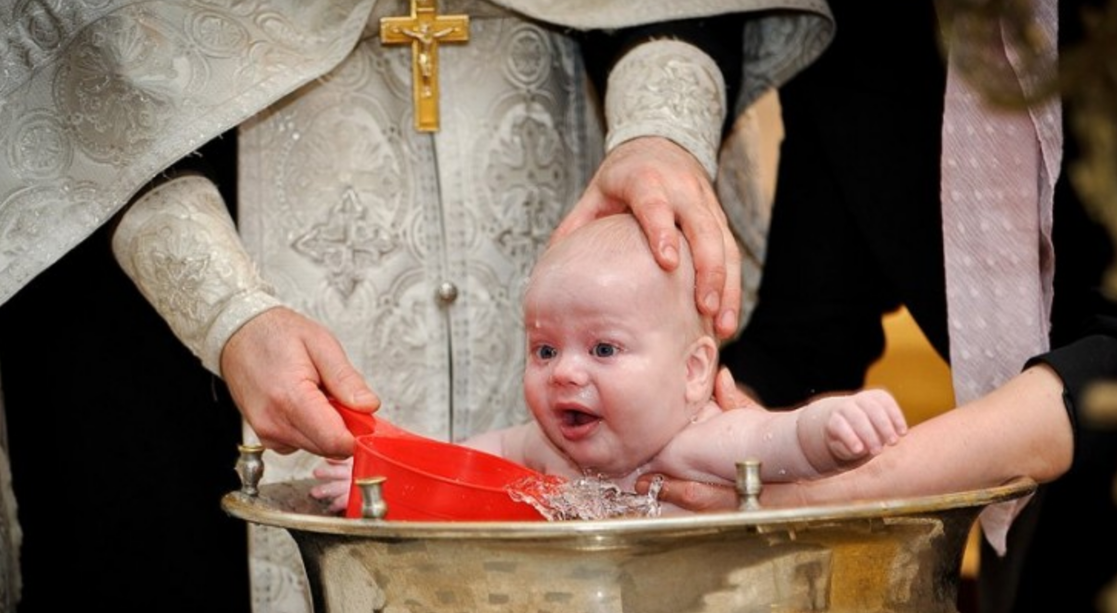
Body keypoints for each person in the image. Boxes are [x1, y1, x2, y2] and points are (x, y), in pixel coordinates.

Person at [0, 0, 836, 613]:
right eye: (542, 351)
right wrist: (223, 312)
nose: (563, 375)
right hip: (178, 346)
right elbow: (91, 61)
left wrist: (657, 134)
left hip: (561, 164)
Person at [649, 0, 1117, 613]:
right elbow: (810, 335)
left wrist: (841, 489)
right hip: (1049, 547)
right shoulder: (868, 25)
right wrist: (661, 431)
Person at [313, 214, 907, 511]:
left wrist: (834, 427)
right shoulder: (539, 447)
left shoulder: (700, 442)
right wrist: (387, 480)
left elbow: (784, 442)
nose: (566, 373)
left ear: (694, 372)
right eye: (545, 351)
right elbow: (457, 471)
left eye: (603, 349)